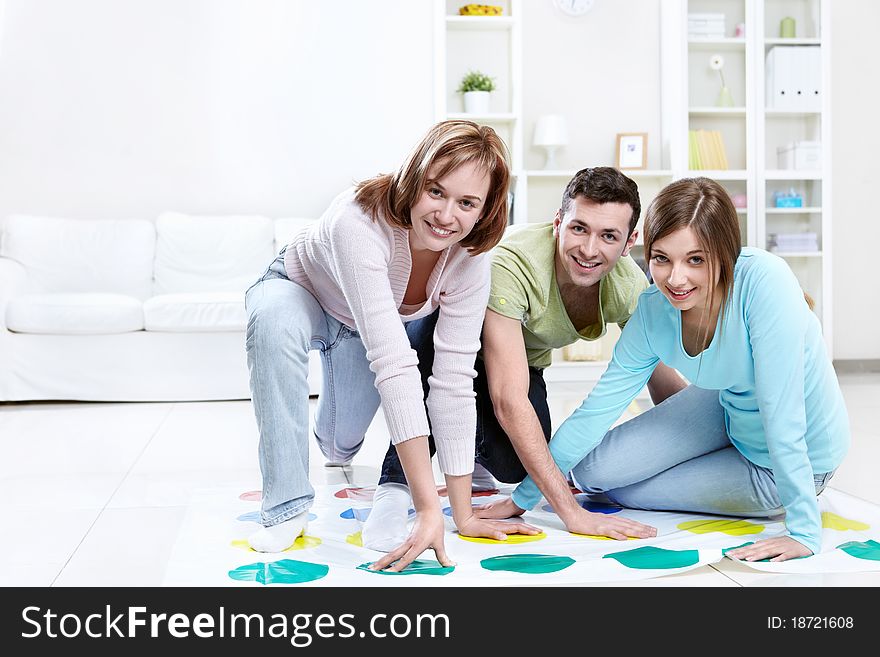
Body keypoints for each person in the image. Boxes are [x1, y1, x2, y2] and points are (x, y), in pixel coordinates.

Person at [494, 176, 849, 562]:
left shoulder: (765, 281)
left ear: (725, 254)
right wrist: (523, 498)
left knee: (628, 493)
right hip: (726, 406)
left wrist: (804, 531)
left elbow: (784, 416)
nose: (676, 279)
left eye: (695, 259)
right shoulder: (651, 308)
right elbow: (596, 411)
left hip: (784, 464)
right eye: (662, 258)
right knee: (591, 474)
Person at [244, 120, 537, 572]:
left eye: (466, 203)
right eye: (436, 192)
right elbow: (395, 365)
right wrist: (424, 509)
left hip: (358, 329)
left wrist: (460, 515)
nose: (445, 215)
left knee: (340, 447)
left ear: (484, 211)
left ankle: (333, 428)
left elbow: (454, 382)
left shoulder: (472, 263)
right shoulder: (357, 222)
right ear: (414, 178)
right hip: (300, 291)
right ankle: (286, 507)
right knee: (273, 320)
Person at [364, 167, 687, 550]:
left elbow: (661, 377)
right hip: (445, 342)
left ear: (629, 241)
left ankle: (470, 448)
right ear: (558, 222)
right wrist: (571, 512)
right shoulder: (512, 263)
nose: (588, 249)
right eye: (578, 228)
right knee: (442, 375)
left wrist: (705, 432)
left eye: (608, 236)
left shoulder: (628, 287)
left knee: (517, 467)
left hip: (521, 361)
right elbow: (508, 399)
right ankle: (394, 486)